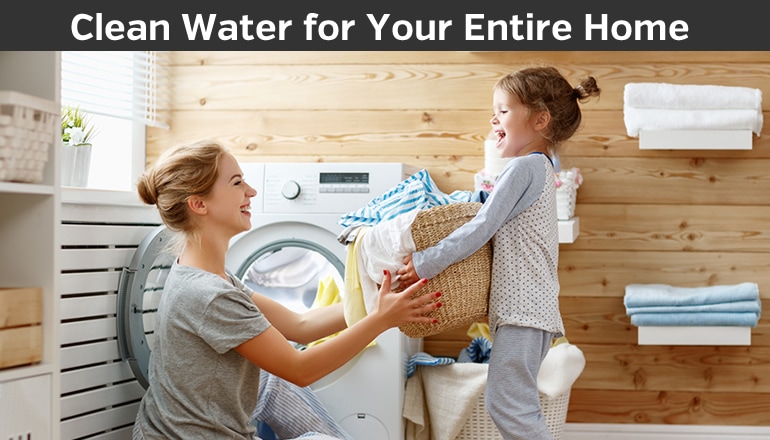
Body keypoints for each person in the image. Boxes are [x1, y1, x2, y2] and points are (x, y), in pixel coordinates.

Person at [132, 139, 441, 440]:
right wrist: (380, 320)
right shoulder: (209, 294)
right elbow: (300, 369)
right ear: (199, 204)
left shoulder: (206, 274)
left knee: (266, 378)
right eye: (237, 183)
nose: (250, 192)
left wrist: (376, 296)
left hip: (165, 431)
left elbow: (300, 327)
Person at [397, 66, 600, 440]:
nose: (494, 118)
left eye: (504, 110)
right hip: (530, 308)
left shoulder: (523, 168)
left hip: (524, 310)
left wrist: (426, 262)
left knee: (509, 405)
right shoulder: (540, 167)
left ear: (540, 120)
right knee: (511, 404)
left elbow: (481, 227)